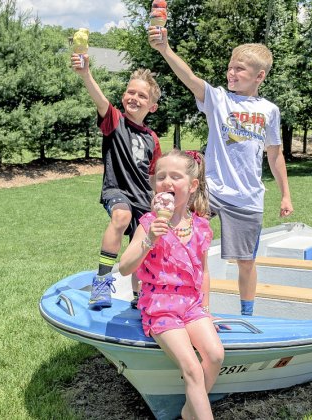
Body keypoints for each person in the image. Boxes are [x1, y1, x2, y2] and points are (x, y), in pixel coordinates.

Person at [149, 29, 294, 316]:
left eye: (239, 69)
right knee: (181, 241)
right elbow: (189, 78)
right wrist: (165, 48)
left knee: (245, 261)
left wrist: (285, 195)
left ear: (259, 76)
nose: (231, 72)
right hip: (211, 191)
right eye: (230, 67)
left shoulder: (269, 111)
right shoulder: (218, 99)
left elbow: (275, 155)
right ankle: (180, 303)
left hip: (247, 198)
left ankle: (247, 315)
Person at [119, 149, 224, 420]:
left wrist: (207, 308)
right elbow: (124, 267)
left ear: (192, 186)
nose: (166, 182)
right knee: (191, 367)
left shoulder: (200, 226)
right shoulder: (149, 223)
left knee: (214, 355)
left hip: (190, 304)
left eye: (175, 176)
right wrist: (149, 240)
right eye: (161, 176)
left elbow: (204, 272)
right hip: (160, 305)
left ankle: (190, 412)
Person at [71, 53, 162, 310]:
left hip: (143, 198)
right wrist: (86, 74)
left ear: (152, 107)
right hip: (117, 190)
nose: (134, 97)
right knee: (121, 217)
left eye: (142, 96)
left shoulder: (152, 138)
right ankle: (101, 283)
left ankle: (139, 296)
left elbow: (154, 176)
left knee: (140, 249)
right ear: (124, 96)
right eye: (130, 92)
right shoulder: (114, 121)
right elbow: (100, 100)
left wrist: (158, 202)